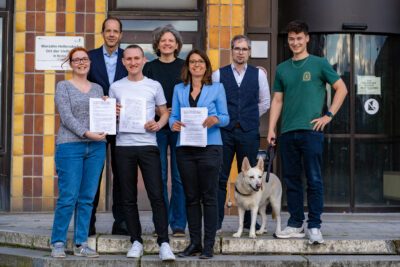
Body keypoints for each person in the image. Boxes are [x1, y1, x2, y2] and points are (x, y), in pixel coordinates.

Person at [268, 20, 347, 244]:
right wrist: (272, 129)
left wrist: (328, 116)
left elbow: (342, 88)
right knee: (292, 180)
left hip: (311, 131)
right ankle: (295, 223)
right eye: (291, 39)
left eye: (299, 38)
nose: (295, 42)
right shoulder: (282, 68)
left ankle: (314, 226)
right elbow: (277, 100)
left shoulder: (319, 63)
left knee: (313, 179)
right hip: (288, 132)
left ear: (307, 38)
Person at [109, 44, 175, 261]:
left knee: (157, 194)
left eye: (137, 58)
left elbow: (164, 113)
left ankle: (164, 242)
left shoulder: (153, 85)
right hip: (123, 146)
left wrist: (158, 124)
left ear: (144, 60)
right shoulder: (116, 87)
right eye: (129, 59)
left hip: (148, 145)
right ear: (123, 62)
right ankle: (136, 241)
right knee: (128, 197)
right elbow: (110, 119)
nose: (133, 62)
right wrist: (112, 112)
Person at [170, 49, 229, 259]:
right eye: (192, 61)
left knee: (209, 197)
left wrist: (216, 120)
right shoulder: (179, 89)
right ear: (187, 66)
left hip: (210, 148)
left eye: (200, 61)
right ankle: (194, 243)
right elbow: (173, 116)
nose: (196, 65)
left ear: (206, 66)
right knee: (191, 197)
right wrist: (173, 124)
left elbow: (225, 117)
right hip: (185, 148)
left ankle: (208, 245)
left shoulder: (217, 88)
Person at [50, 47, 107, 258]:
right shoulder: (63, 86)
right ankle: (57, 242)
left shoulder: (98, 89)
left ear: (90, 63)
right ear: (70, 63)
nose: (81, 63)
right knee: (68, 196)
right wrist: (86, 133)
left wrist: (108, 110)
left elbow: (101, 116)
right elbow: (65, 117)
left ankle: (81, 243)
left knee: (87, 198)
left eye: (84, 59)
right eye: (76, 60)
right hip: (70, 146)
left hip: (96, 148)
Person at [212, 35, 271, 231]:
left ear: (249, 52)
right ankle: (217, 221)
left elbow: (265, 102)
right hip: (224, 133)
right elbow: (214, 103)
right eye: (237, 48)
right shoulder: (218, 75)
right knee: (220, 177)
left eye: (244, 49)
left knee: (250, 177)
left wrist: (248, 117)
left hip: (248, 132)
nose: (240, 52)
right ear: (231, 50)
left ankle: (248, 222)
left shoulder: (259, 74)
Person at [143, 24, 186, 237]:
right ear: (157, 44)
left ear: (177, 45)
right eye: (163, 40)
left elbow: (191, 95)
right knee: (158, 176)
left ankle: (178, 224)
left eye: (171, 40)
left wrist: (175, 112)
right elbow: (142, 96)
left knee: (178, 177)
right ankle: (160, 224)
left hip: (179, 127)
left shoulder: (186, 66)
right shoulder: (149, 68)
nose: (167, 43)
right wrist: (160, 113)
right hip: (157, 127)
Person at [87, 17, 128, 236]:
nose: (112, 34)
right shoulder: (90, 58)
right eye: (108, 31)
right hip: (98, 125)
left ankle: (120, 222)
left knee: (121, 174)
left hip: (122, 125)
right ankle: (89, 221)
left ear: (121, 35)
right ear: (102, 33)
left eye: (116, 31)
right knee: (94, 173)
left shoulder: (128, 58)